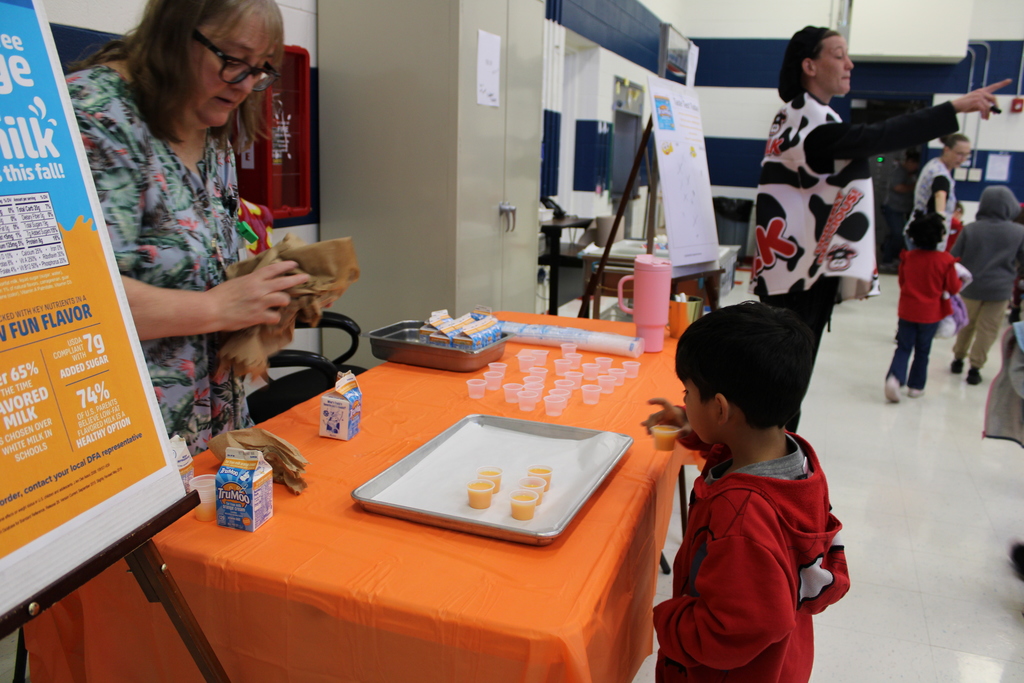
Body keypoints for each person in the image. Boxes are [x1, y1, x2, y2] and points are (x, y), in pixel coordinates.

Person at [67, 0, 309, 453]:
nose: (244, 85)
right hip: (124, 443)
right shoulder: (96, 116)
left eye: (260, 70)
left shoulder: (211, 126)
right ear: (176, 34)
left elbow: (199, 266)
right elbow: (73, 297)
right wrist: (217, 309)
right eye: (234, 60)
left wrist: (266, 298)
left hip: (213, 428)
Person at [752, 25, 1007, 431]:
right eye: (839, 54)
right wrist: (953, 108)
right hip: (796, 277)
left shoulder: (807, 115)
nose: (849, 63)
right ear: (809, 65)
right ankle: (771, 472)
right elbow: (877, 135)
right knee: (783, 388)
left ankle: (774, 465)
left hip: (798, 271)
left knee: (784, 384)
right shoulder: (808, 122)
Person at [642, 302, 849, 683]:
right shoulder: (794, 458)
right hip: (784, 662)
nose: (684, 400)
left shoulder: (742, 517)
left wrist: (666, 619)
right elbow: (731, 442)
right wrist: (691, 426)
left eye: (687, 393)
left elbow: (737, 627)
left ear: (720, 409)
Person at [950, 186, 1024, 385]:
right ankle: (975, 368)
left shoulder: (971, 229)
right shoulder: (1019, 232)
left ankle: (958, 358)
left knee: (966, 324)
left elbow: (954, 257)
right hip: (999, 291)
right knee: (988, 329)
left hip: (970, 288)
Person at [884, 213, 961, 402]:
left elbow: (902, 283)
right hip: (931, 313)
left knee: (903, 347)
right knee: (923, 350)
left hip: (908, 310)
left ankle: (895, 378)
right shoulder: (945, 261)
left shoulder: (908, 258)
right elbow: (953, 287)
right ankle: (916, 387)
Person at [912, 134, 971, 249]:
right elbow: (940, 194)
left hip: (921, 229)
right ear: (947, 150)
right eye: (959, 154)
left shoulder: (934, 164)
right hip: (927, 235)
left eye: (966, 155)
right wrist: (941, 220)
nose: (963, 159)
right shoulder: (940, 174)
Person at [879, 148, 921, 269]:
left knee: (902, 235)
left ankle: (896, 257)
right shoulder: (899, 172)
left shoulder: (912, 174)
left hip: (905, 209)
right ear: (910, 162)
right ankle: (887, 260)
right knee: (896, 233)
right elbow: (898, 187)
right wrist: (915, 187)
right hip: (893, 208)